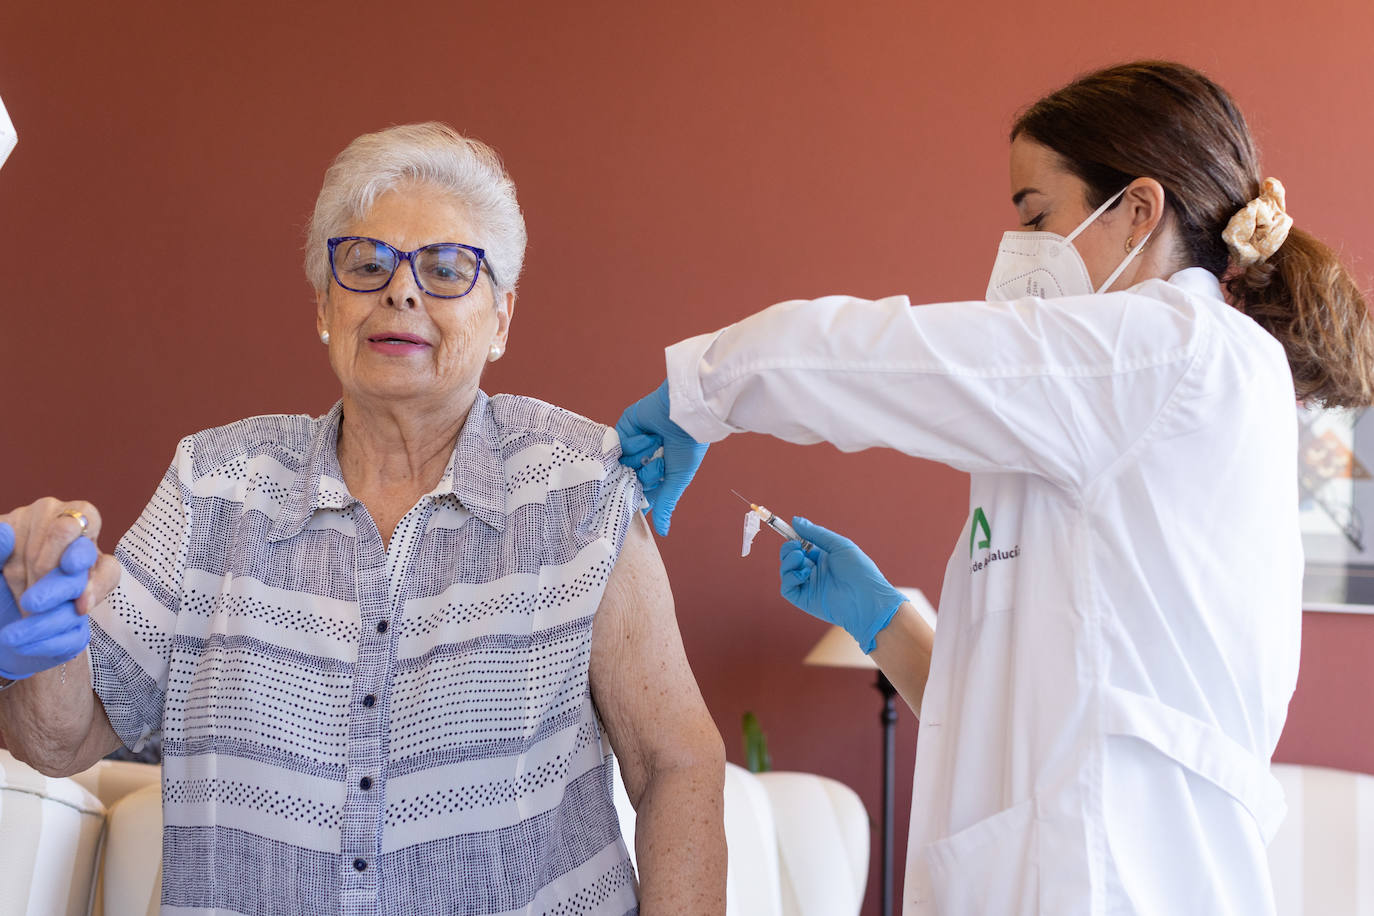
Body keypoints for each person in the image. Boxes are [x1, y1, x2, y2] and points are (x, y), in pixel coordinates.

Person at [616, 61, 1374, 915]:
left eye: (1037, 215)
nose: (1018, 249)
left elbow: (888, 359)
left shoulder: (1167, 348)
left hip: (1121, 875)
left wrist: (703, 392)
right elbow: (1029, 706)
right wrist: (883, 621)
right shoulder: (1112, 413)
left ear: (1137, 211)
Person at [0, 123, 726, 915]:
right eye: (367, 264)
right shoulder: (213, 484)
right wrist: (43, 620)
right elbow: (57, 738)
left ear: (503, 320)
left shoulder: (577, 486)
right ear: (324, 305)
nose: (402, 291)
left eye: (448, 269)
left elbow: (676, 762)